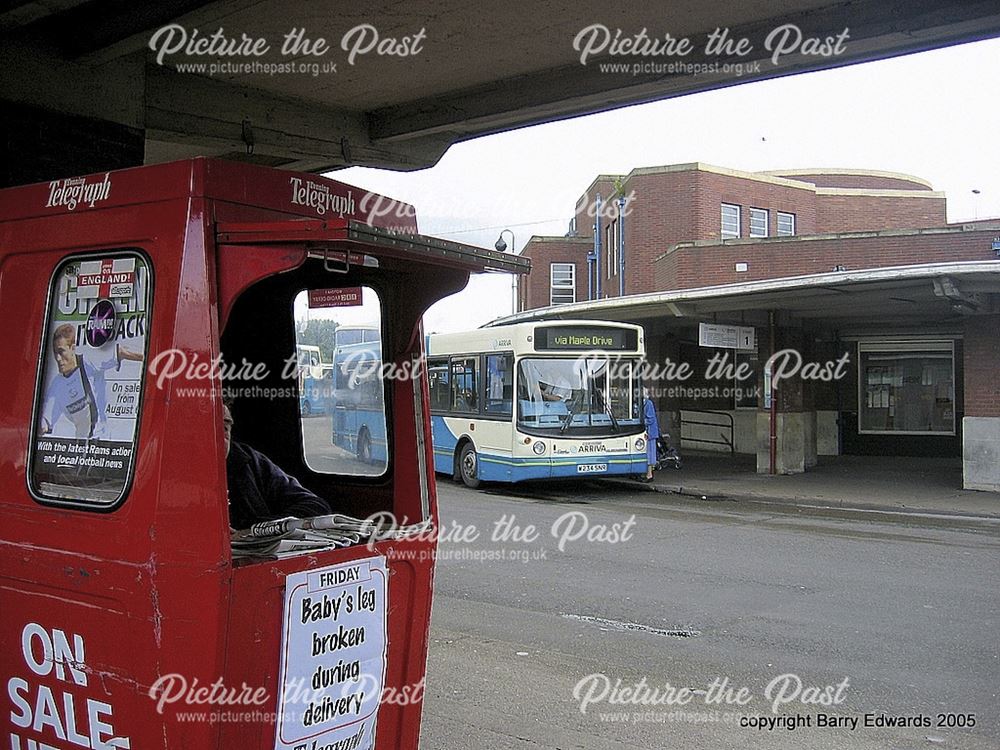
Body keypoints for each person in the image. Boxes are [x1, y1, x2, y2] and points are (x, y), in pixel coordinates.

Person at [223, 402, 333, 529]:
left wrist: (256, 530)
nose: (219, 437)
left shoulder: (248, 461)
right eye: (209, 427)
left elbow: (316, 506)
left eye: (225, 428)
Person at [39, 324, 144, 439]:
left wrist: (153, 359)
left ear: (72, 348)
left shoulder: (88, 362)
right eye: (55, 353)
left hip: (103, 440)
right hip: (82, 446)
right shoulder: (57, 385)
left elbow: (120, 352)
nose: (58, 358)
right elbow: (45, 420)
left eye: (61, 351)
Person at [641, 387, 661, 482]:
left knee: (649, 454)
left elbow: (651, 419)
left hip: (650, 433)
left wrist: (640, 421)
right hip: (647, 432)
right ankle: (647, 474)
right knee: (646, 453)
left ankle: (649, 475)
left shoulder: (648, 403)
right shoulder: (645, 403)